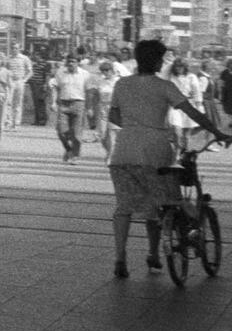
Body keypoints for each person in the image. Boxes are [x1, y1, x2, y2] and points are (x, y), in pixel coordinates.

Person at [107, 39, 230, 279]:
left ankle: (120, 258)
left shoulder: (122, 84)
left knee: (123, 207)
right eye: (161, 59)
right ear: (155, 61)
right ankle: (153, 254)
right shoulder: (164, 86)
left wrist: (134, 127)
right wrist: (216, 132)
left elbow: (113, 115)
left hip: (122, 153)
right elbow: (193, 112)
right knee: (156, 206)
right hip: (155, 152)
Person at [47, 53, 89, 162]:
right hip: (64, 104)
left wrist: (89, 107)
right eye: (69, 61)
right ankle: (69, 150)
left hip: (79, 103)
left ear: (78, 63)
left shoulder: (84, 74)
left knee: (76, 133)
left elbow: (89, 91)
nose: (70, 63)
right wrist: (53, 102)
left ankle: (75, 155)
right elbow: (54, 87)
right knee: (61, 131)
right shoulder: (60, 72)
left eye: (73, 61)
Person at [165, 56, 204, 152]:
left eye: (181, 66)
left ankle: (185, 153)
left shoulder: (191, 77)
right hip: (175, 107)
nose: (179, 68)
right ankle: (177, 153)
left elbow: (197, 92)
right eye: (177, 66)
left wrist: (199, 107)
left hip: (189, 105)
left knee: (186, 136)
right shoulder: (170, 76)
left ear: (185, 66)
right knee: (177, 131)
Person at [94, 59, 120, 157]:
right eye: (103, 71)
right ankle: (109, 151)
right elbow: (97, 96)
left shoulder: (118, 81)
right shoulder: (101, 82)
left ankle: (111, 156)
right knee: (102, 135)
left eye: (107, 70)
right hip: (103, 109)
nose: (105, 72)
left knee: (113, 134)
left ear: (112, 70)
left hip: (115, 109)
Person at [6, 42, 33, 129]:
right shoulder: (8, 58)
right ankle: (8, 121)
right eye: (13, 48)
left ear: (20, 49)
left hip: (19, 81)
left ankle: (16, 122)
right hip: (10, 81)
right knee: (9, 102)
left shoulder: (24, 58)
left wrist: (24, 80)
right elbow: (5, 70)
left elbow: (30, 71)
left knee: (18, 103)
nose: (14, 50)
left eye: (16, 48)